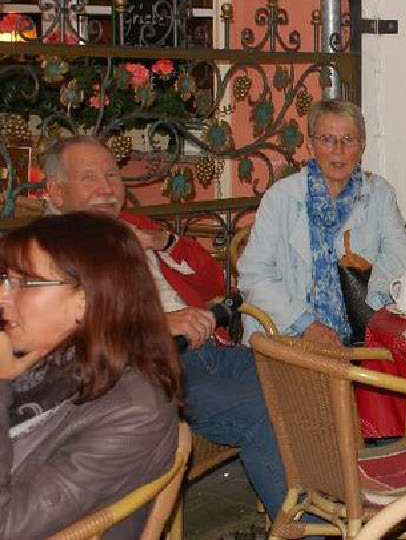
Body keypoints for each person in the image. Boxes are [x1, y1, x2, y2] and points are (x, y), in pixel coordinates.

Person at [42, 136, 287, 518]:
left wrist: (163, 240)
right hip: (152, 373)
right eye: (89, 178)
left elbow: (213, 282)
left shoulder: (130, 226)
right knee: (263, 410)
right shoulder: (45, 255)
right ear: (56, 191)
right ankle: (302, 527)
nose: (107, 189)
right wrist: (158, 326)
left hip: (210, 349)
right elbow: (70, 340)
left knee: (304, 384)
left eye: (113, 175)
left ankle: (336, 504)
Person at [0, 212, 181, 539]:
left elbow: (9, 526)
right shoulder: (34, 366)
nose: (3, 297)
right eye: (5, 280)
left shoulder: (134, 412)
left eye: (24, 282)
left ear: (85, 301)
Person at [238, 99, 406, 345]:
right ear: (310, 145)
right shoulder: (280, 197)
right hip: (286, 338)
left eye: (348, 140)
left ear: (362, 146)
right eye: (327, 139)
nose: (338, 150)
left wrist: (373, 301)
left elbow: (403, 255)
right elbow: (254, 275)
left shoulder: (380, 193)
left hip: (358, 337)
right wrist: (305, 324)